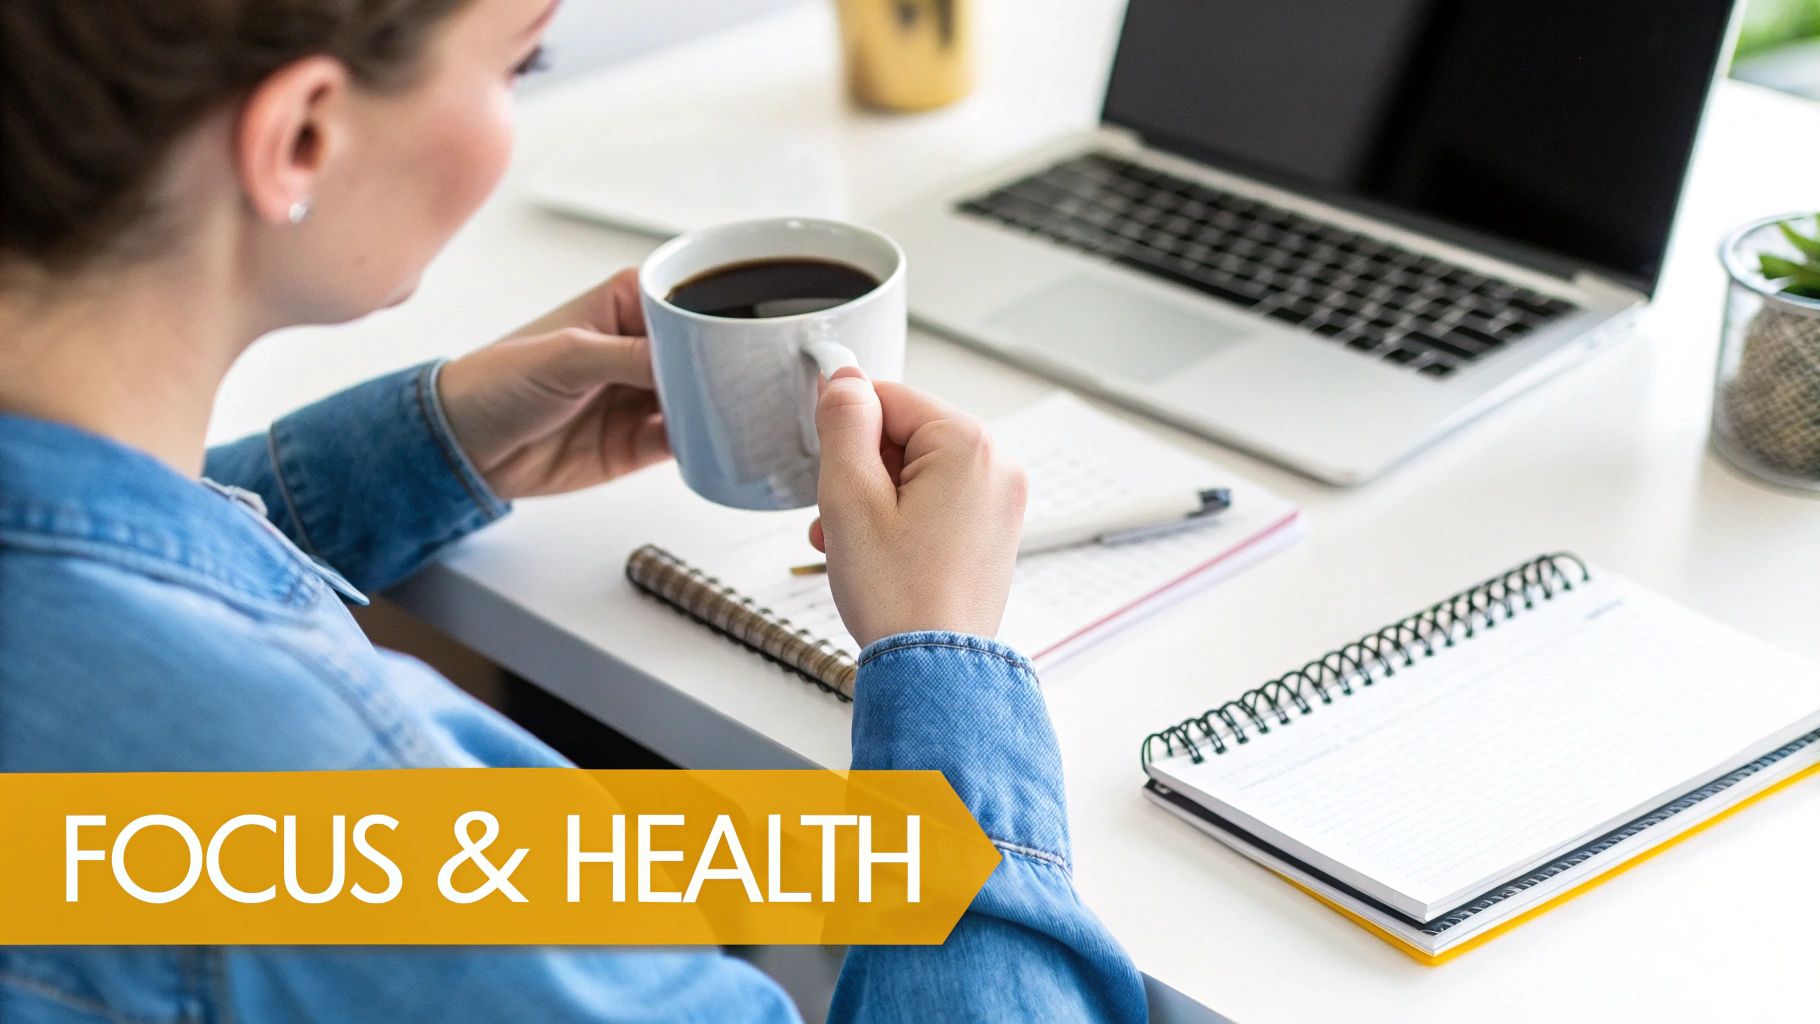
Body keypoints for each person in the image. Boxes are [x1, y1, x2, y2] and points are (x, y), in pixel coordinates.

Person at [0, 1, 1147, 1021]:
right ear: (301, 136)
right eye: (520, 64)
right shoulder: (362, 815)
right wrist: (939, 663)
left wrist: (423, 444)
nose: (514, 114)